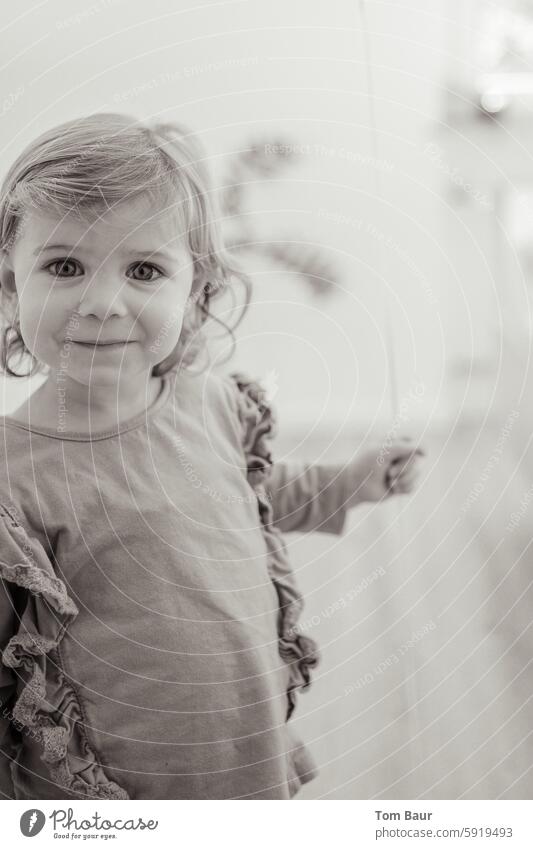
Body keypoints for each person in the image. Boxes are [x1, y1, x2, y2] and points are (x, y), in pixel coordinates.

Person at [0, 113, 424, 800]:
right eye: (64, 265)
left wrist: (351, 483)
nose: (103, 302)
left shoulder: (214, 406)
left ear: (194, 291)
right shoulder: (13, 471)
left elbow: (250, 500)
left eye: (143, 269)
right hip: (117, 787)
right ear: (11, 286)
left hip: (241, 741)